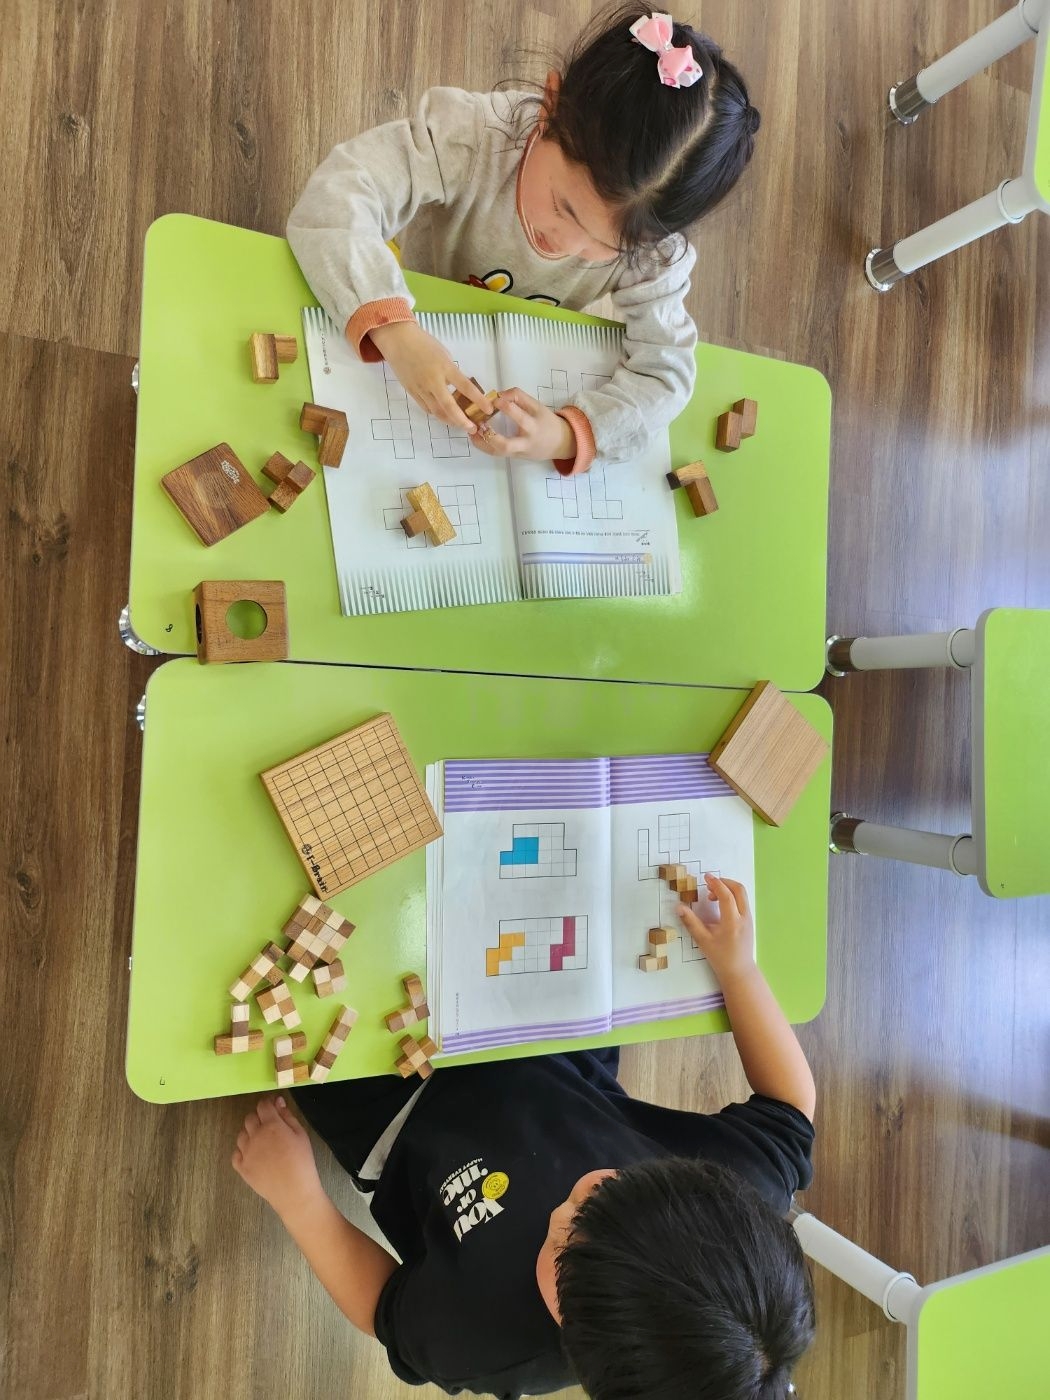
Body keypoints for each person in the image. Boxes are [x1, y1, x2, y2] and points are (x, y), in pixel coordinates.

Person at [232, 875, 817, 1399]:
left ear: (573, 1340)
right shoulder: (740, 1202)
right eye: (616, 1185)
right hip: (548, 1054)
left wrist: (300, 1200)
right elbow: (791, 1107)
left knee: (279, 953)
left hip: (400, 1118)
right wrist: (739, 971)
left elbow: (382, 1306)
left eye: (562, 1241)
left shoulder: (484, 1340)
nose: (578, 1196)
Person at [286, 4, 760, 478]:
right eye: (563, 207)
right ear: (549, 109)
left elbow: (666, 371)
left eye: (607, 247)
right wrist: (394, 330)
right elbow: (340, 194)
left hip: (518, 349)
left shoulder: (651, 249)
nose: (568, 244)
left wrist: (569, 434)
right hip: (409, 301)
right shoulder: (474, 136)